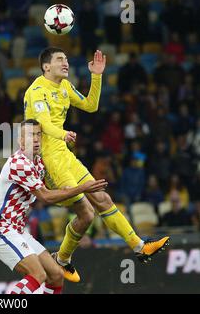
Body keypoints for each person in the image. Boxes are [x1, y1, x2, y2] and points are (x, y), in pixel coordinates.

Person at [23, 47, 169, 282]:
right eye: (60, 59)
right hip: (49, 159)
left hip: (66, 156)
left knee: (103, 199)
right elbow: (42, 123)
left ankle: (139, 246)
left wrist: (97, 76)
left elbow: (91, 105)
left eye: (67, 59)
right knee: (87, 214)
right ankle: (62, 259)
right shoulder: (37, 91)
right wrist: (62, 135)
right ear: (46, 66)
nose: (66, 63)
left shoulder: (65, 86)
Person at [0, 119, 108, 294]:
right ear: (20, 141)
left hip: (17, 229)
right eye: (30, 135)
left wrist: (70, 192)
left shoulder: (38, 164)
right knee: (37, 274)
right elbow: (46, 196)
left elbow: (47, 195)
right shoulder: (19, 164)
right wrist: (82, 188)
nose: (35, 139)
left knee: (56, 275)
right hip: (0, 228)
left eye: (38, 135)